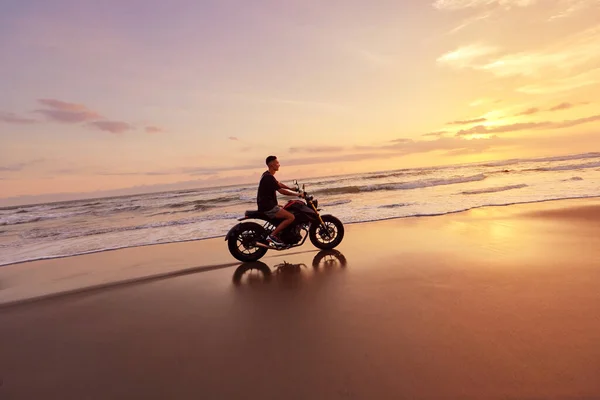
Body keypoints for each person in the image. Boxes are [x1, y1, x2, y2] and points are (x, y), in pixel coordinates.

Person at [257, 155, 303, 246]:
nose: (279, 165)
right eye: (277, 163)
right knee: (291, 217)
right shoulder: (268, 177)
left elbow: (279, 184)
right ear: (272, 165)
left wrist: (292, 188)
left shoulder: (267, 175)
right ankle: (272, 236)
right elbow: (281, 191)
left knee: (287, 208)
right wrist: (297, 195)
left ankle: (281, 234)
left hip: (267, 204)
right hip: (268, 206)